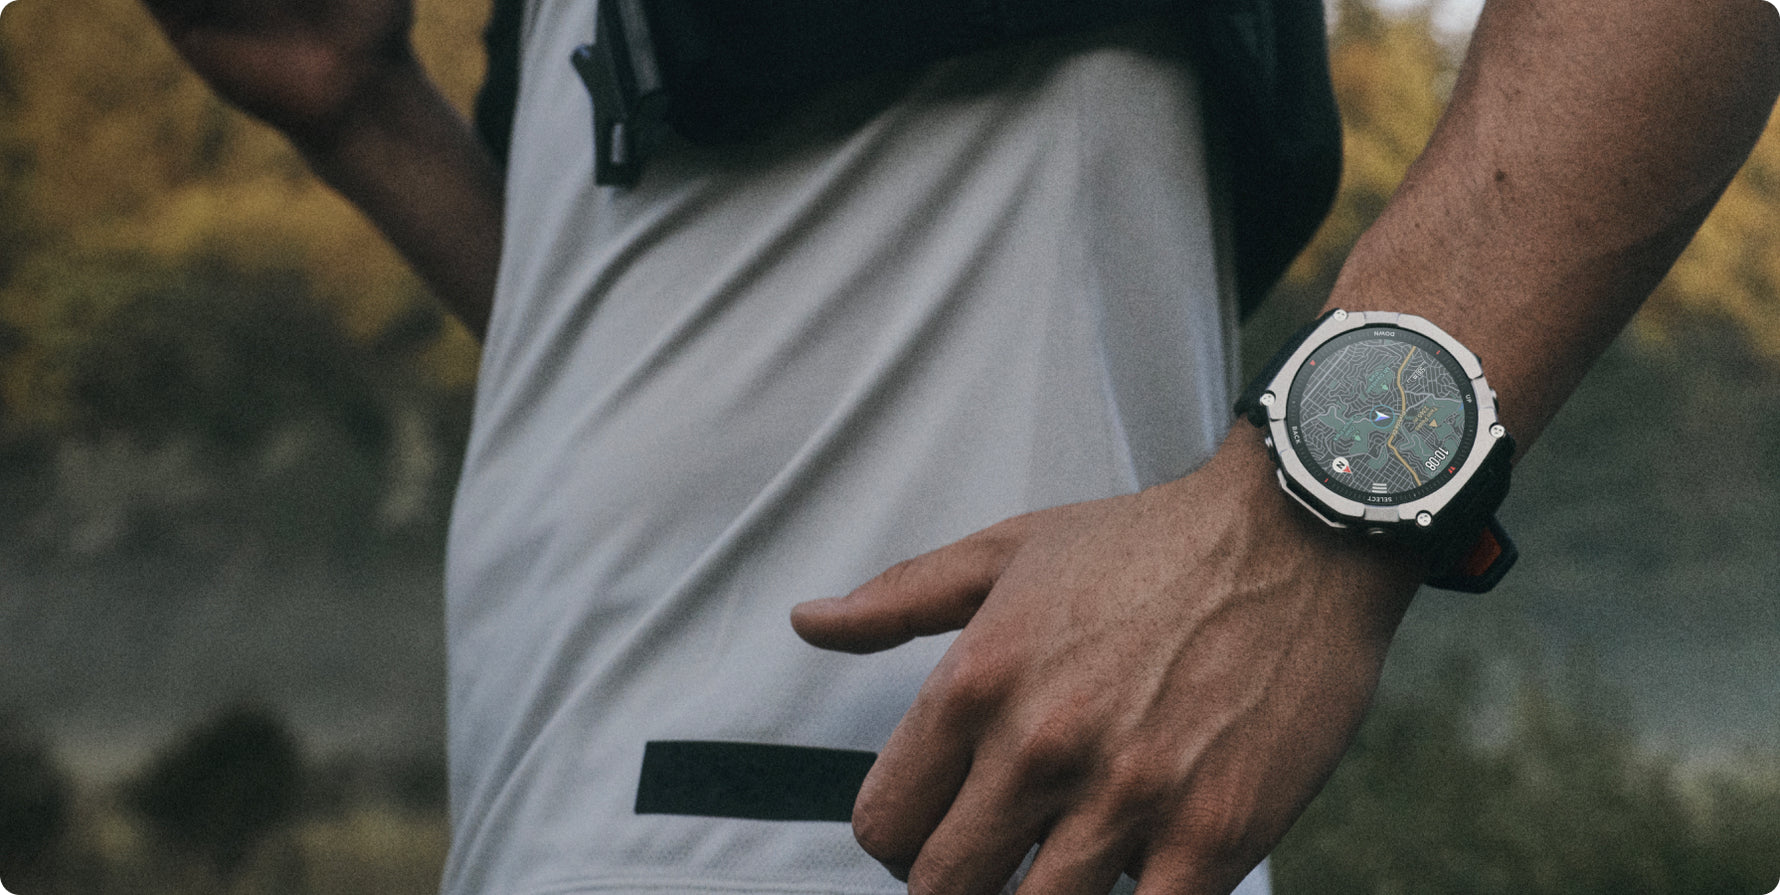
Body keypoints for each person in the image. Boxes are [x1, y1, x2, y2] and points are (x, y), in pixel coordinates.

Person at [136, 0, 1780, 894]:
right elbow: (693, 358)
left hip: (933, 837)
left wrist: (1309, 528)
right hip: (539, 819)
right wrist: (365, 118)